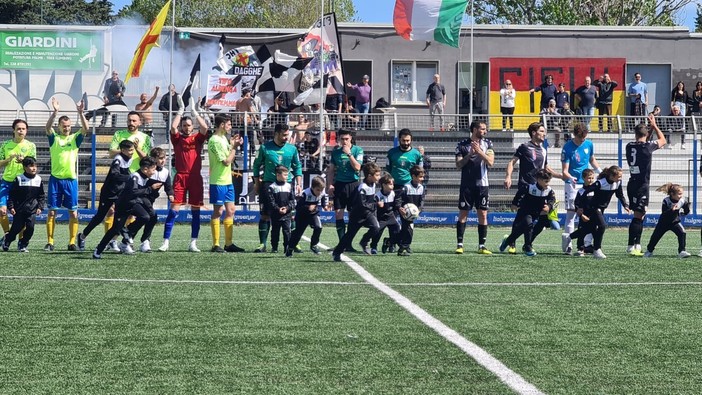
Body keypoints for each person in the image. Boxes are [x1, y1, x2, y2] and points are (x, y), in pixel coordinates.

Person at [159, 96, 208, 253]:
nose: (186, 127)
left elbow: (205, 128)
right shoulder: (177, 138)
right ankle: (166, 241)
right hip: (180, 177)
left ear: (192, 126)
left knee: (195, 212)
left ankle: (193, 242)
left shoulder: (198, 139)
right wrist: (180, 111)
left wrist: (195, 112)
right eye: (184, 125)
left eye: (189, 125)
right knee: (174, 210)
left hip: (195, 178)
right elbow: (173, 128)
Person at [503, 122, 562, 251]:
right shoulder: (524, 147)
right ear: (534, 133)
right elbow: (512, 162)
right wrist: (508, 176)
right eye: (541, 131)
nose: (544, 134)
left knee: (542, 221)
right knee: (521, 218)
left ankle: (527, 243)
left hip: (540, 190)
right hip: (526, 187)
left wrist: (560, 176)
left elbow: (546, 168)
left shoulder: (544, 150)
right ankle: (513, 244)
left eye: (544, 131)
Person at [44, 97, 90, 252]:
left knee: (74, 213)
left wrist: (81, 113)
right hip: (55, 180)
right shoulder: (54, 139)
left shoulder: (74, 138)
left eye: (69, 126)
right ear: (59, 126)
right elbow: (47, 127)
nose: (67, 128)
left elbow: (86, 128)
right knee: (51, 212)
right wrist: (55, 112)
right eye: (64, 126)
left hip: (71, 180)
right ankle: (50, 242)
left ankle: (71, 243)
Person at [92, 157, 159, 259]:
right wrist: (150, 189)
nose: (154, 172)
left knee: (145, 217)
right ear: (145, 169)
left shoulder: (145, 177)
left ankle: (126, 231)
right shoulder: (135, 177)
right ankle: (99, 249)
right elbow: (133, 192)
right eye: (153, 169)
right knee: (115, 229)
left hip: (133, 203)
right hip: (123, 205)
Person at [252, 123, 302, 253]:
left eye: (288, 134)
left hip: (287, 185)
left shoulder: (292, 149)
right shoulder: (264, 148)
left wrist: (299, 184)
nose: (287, 137)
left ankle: (294, 243)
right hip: (269, 184)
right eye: (284, 135)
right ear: (276, 133)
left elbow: (297, 167)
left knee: (290, 214)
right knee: (265, 215)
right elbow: (256, 165)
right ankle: (262, 244)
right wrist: (257, 183)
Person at [77, 140, 134, 251]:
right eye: (130, 150)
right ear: (123, 150)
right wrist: (129, 178)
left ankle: (115, 240)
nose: (132, 152)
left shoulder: (129, 159)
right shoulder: (118, 160)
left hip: (119, 192)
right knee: (99, 218)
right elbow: (115, 175)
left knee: (120, 215)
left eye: (132, 149)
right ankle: (82, 236)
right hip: (109, 192)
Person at [564, 166, 630, 259]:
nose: (620, 178)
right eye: (619, 176)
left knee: (590, 229)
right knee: (602, 226)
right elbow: (585, 192)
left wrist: (625, 205)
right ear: (611, 176)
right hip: (594, 207)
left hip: (602, 209)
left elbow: (620, 195)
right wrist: (579, 208)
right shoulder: (600, 183)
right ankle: (597, 249)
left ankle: (569, 237)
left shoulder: (617, 183)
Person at [625, 114, 666, 256]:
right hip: (642, 185)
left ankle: (636, 244)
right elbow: (663, 140)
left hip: (632, 183)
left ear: (635, 133)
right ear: (647, 133)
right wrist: (654, 125)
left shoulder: (629, 146)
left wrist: (649, 131)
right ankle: (632, 245)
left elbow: (643, 143)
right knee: (638, 215)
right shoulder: (648, 147)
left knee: (639, 215)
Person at [560, 122, 602, 254]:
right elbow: (564, 170)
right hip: (572, 184)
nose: (583, 140)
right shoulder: (567, 147)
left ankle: (586, 244)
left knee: (589, 215)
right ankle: (568, 244)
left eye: (584, 137)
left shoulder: (589, 144)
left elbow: (591, 159)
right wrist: (570, 177)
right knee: (572, 214)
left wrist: (599, 171)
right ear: (575, 135)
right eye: (580, 137)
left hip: (587, 184)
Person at [455, 120, 495, 255]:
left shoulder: (488, 144)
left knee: (483, 214)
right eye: (482, 129)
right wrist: (470, 154)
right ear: (474, 129)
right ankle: (460, 244)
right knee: (463, 213)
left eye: (485, 129)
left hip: (482, 185)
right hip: (466, 185)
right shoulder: (462, 145)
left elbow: (490, 162)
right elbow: (458, 165)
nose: (485, 131)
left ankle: (482, 246)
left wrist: (479, 152)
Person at [208, 114, 245, 253]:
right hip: (218, 181)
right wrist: (234, 147)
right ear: (222, 125)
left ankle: (228, 244)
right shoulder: (215, 140)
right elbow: (226, 161)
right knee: (218, 211)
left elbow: (227, 153)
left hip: (227, 181)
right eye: (229, 124)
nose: (230, 127)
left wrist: (232, 144)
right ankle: (215, 244)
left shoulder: (223, 138)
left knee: (231, 210)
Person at [332, 162, 381, 261]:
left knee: (376, 227)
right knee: (349, 236)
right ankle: (337, 252)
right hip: (357, 215)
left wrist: (376, 201)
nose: (379, 177)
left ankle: (364, 241)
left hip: (368, 213)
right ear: (369, 176)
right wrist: (375, 204)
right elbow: (362, 204)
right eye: (377, 175)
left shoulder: (373, 184)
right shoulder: (362, 187)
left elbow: (371, 199)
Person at [499, 169, 555, 256]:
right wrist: (514, 204)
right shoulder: (530, 187)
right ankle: (528, 247)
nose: (547, 184)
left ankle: (507, 241)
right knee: (529, 225)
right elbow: (519, 194)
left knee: (532, 228)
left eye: (549, 181)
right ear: (539, 180)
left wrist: (549, 206)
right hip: (526, 211)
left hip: (538, 212)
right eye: (546, 181)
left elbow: (552, 199)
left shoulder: (549, 190)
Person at [129, 147, 173, 253]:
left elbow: (168, 186)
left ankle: (130, 235)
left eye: (165, 158)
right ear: (154, 159)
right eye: (161, 158)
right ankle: (144, 240)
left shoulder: (166, 172)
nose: (163, 160)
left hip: (150, 199)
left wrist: (170, 194)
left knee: (146, 218)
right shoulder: (147, 170)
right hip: (141, 198)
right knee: (152, 216)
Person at [0, 119, 36, 241]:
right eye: (18, 129)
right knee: (2, 210)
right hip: (7, 181)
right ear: (14, 130)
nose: (21, 131)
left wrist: (23, 161)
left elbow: (32, 165)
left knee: (21, 214)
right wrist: (7, 160)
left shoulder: (31, 146)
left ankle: (21, 240)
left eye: (23, 129)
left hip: (23, 183)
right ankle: (7, 234)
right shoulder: (5, 145)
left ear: (26, 131)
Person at [327, 128, 363, 246]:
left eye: (346, 139)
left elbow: (357, 167)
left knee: (353, 215)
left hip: (353, 184)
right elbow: (331, 170)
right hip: (340, 184)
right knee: (338, 214)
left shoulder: (358, 150)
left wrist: (349, 154)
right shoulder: (335, 152)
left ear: (351, 138)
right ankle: (342, 243)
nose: (344, 141)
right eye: (342, 139)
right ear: (338, 139)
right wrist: (330, 184)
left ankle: (349, 243)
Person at [1, 156, 44, 253]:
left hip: (32, 210)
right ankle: (7, 240)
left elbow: (41, 195)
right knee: (16, 228)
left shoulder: (38, 179)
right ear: (24, 167)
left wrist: (40, 207)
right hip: (19, 209)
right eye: (31, 166)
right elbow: (12, 195)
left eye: (35, 166)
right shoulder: (19, 179)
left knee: (31, 227)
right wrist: (11, 207)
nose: (34, 168)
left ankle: (23, 244)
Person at [643, 183, 691, 258]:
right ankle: (649, 251)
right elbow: (664, 213)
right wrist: (672, 210)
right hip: (663, 223)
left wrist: (687, 208)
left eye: (681, 194)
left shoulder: (682, 201)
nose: (681, 196)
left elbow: (686, 211)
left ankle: (682, 251)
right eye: (679, 194)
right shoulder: (666, 201)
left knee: (682, 233)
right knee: (655, 236)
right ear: (672, 194)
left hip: (675, 222)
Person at [286, 176, 329, 257]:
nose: (319, 192)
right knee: (298, 233)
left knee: (318, 227)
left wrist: (324, 205)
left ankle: (313, 245)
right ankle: (290, 248)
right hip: (302, 215)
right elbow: (298, 206)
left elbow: (322, 198)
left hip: (313, 213)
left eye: (321, 190)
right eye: (317, 190)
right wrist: (308, 207)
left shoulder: (322, 192)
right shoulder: (305, 193)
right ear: (312, 187)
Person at [359, 173, 400, 255]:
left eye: (393, 184)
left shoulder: (393, 194)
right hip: (381, 218)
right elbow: (373, 207)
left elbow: (395, 205)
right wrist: (377, 205)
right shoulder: (377, 196)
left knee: (397, 230)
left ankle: (389, 242)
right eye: (390, 184)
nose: (392, 186)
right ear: (384, 185)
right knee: (377, 232)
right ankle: (374, 246)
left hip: (390, 216)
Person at [396, 165, 425, 256]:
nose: (422, 178)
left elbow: (422, 200)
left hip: (413, 213)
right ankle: (403, 248)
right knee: (409, 229)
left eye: (423, 176)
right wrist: (400, 208)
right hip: (405, 212)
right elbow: (398, 199)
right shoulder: (406, 187)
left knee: (405, 230)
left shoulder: (421, 187)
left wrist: (419, 209)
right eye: (420, 177)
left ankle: (390, 240)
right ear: (413, 176)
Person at [566, 169, 595, 256]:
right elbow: (577, 204)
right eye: (589, 178)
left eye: (592, 178)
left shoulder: (595, 189)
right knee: (582, 231)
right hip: (584, 215)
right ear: (583, 178)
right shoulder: (581, 191)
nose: (591, 180)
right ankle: (580, 248)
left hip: (593, 214)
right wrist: (581, 214)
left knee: (595, 230)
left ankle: (591, 247)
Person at [266, 165, 295, 253]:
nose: (287, 177)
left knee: (287, 231)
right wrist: (278, 209)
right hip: (276, 214)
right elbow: (271, 202)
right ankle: (274, 247)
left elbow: (292, 201)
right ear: (278, 175)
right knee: (275, 231)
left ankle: (287, 247)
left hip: (287, 213)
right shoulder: (272, 187)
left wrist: (287, 208)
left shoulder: (289, 186)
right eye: (285, 175)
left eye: (287, 175)